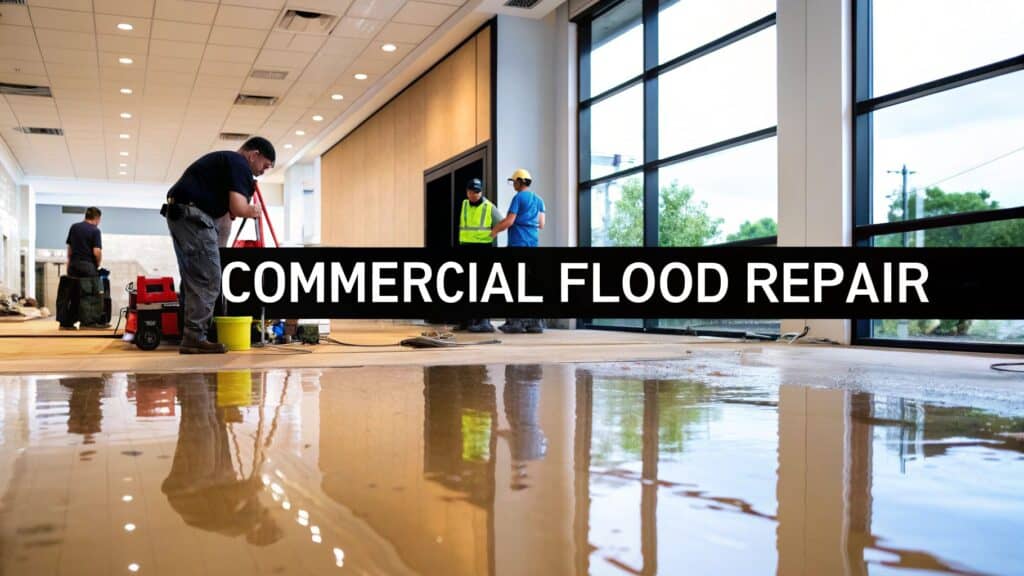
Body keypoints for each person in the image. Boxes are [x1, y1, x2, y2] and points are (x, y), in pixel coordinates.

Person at [163, 137, 274, 354]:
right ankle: (195, 338)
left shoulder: (225, 163)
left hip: (180, 214)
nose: (263, 171)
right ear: (254, 154)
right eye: (265, 165)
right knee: (209, 277)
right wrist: (254, 210)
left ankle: (190, 336)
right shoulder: (240, 164)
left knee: (193, 279)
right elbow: (239, 208)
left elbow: (228, 211)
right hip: (194, 217)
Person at [491, 168, 545, 333]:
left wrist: (493, 231)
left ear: (520, 181)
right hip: (532, 245)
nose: (513, 184)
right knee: (530, 284)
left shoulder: (519, 197)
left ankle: (514, 323)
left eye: (514, 181)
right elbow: (541, 224)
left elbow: (509, 221)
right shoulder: (539, 199)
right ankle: (535, 323)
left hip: (517, 244)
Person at [457, 178, 503, 333]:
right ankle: (467, 320)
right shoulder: (464, 204)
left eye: (477, 192)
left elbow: (502, 222)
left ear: (481, 192)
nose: (474, 195)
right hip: (466, 247)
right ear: (467, 192)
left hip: (483, 248)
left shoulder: (489, 206)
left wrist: (493, 233)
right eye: (471, 192)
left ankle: (484, 321)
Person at [66, 206, 102, 278]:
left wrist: (69, 264)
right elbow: (96, 252)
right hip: (88, 268)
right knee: (90, 289)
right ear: (97, 218)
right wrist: (98, 264)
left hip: (73, 267)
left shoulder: (74, 227)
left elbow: (70, 250)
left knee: (74, 289)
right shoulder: (95, 231)